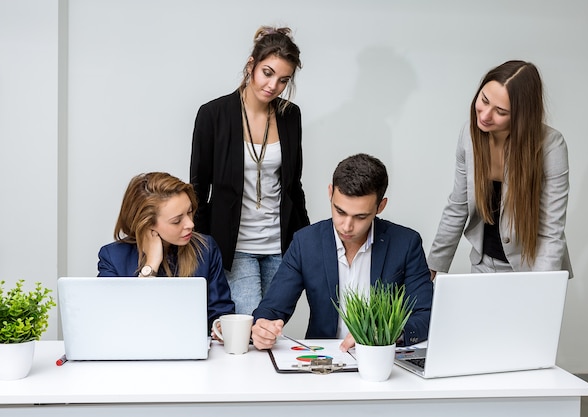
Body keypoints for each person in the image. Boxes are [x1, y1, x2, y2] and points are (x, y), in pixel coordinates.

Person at [251, 154, 433, 352]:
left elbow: (425, 314)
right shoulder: (305, 242)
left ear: (380, 206)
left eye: (360, 217)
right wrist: (262, 327)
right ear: (330, 193)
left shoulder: (406, 243)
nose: (347, 226)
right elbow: (272, 308)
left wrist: (385, 333)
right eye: (340, 211)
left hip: (381, 358)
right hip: (324, 363)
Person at [189, 25, 310, 316]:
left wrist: (307, 242)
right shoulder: (213, 115)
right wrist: (204, 250)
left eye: (283, 80)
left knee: (270, 327)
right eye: (267, 73)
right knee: (247, 324)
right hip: (234, 247)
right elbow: (198, 188)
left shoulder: (290, 115)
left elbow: (294, 185)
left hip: (280, 245)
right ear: (251, 65)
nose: (273, 86)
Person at [428, 60, 573, 279]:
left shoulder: (551, 146)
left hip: (531, 268)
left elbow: (551, 231)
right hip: (482, 265)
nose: (485, 115)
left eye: (501, 111)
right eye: (484, 100)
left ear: (522, 116)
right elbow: (457, 206)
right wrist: (433, 266)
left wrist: (543, 289)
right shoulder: (469, 135)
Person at [97, 172, 235, 330]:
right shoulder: (113, 258)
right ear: (147, 224)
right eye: (177, 221)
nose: (190, 224)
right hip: (136, 351)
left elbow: (220, 312)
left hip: (193, 350)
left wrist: (219, 327)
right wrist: (151, 266)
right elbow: (112, 320)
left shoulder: (205, 248)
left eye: (189, 211)